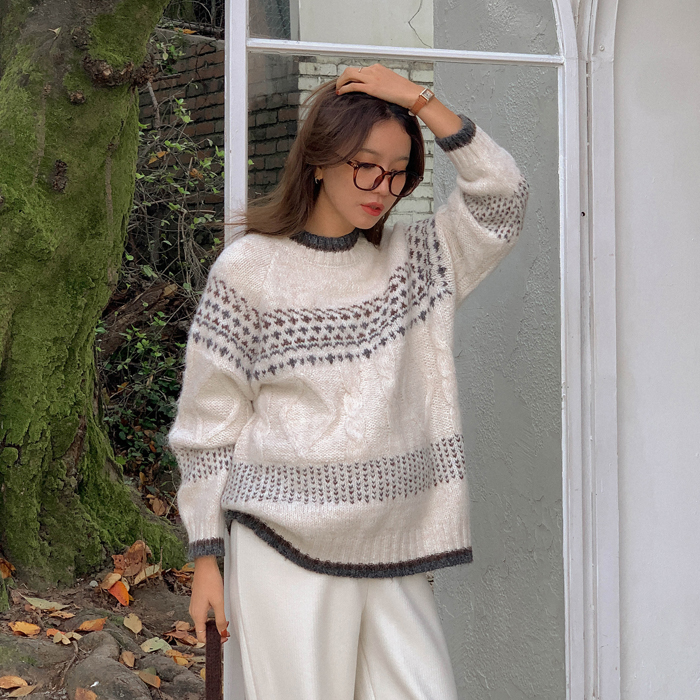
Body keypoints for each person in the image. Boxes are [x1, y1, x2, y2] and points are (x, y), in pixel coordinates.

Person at [168, 63, 528, 700]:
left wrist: (418, 100)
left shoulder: (420, 263)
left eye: (398, 173)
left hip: (395, 549)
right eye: (366, 166)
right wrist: (206, 558)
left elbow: (502, 197)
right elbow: (209, 424)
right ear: (318, 160)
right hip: (282, 544)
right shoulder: (248, 270)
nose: (382, 188)